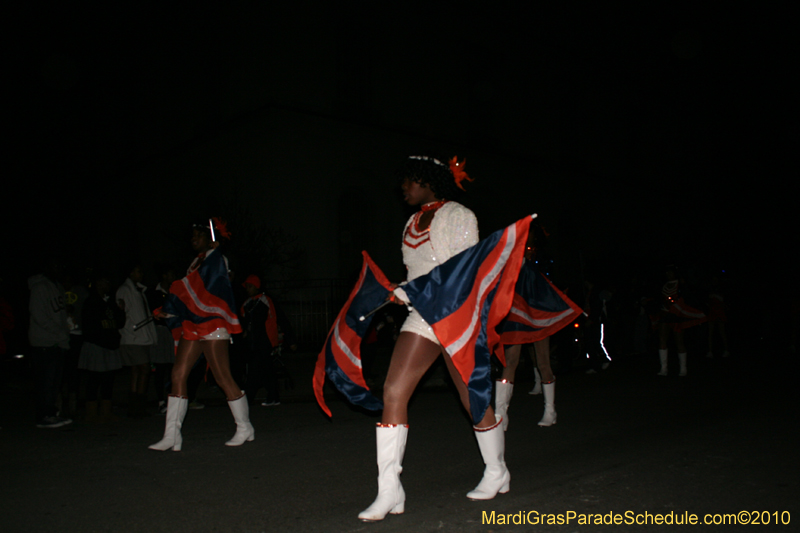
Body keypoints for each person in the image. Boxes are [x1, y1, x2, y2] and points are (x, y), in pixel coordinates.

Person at [359, 154, 507, 523]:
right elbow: (419, 271)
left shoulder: (459, 215)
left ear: (427, 181)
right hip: (423, 316)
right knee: (393, 391)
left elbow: (460, 275)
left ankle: (496, 469)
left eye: (410, 181)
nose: (403, 189)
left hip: (456, 317)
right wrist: (400, 290)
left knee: (470, 396)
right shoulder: (411, 222)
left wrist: (409, 292)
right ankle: (390, 489)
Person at [149, 219, 250, 451]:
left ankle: (245, 427)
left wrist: (216, 257)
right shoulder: (196, 262)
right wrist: (169, 310)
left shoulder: (218, 260)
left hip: (213, 323)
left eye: (198, 235)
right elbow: (189, 294)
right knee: (178, 373)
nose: (193, 238)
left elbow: (211, 289)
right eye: (192, 235)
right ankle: (172, 435)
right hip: (193, 325)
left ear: (210, 238)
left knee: (222, 376)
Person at [28, 260, 73, 428]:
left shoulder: (58, 287)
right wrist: (57, 332)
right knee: (45, 381)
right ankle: (43, 415)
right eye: (55, 266)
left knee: (54, 382)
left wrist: (64, 332)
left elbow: (59, 314)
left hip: (58, 341)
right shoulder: (40, 287)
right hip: (44, 342)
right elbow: (39, 315)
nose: (58, 270)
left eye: (60, 267)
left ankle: (51, 413)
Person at [240, 275, 296, 407]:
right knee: (266, 370)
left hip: (265, 341)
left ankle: (247, 400)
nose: (247, 289)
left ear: (256, 287)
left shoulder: (266, 301)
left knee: (255, 371)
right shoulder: (247, 304)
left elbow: (281, 319)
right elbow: (242, 322)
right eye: (247, 287)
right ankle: (273, 397)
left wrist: (291, 340)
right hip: (252, 343)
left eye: (250, 286)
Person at [78, 272, 125, 422]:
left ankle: (106, 412)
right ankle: (91, 412)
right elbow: (89, 326)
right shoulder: (91, 302)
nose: (107, 285)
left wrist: (121, 310)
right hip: (97, 345)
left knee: (109, 379)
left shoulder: (110, 302)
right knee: (94, 379)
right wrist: (100, 340)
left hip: (110, 345)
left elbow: (119, 323)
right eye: (104, 282)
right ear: (98, 284)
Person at [116, 263, 157, 417]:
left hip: (141, 336)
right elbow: (122, 314)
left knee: (137, 370)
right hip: (133, 337)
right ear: (131, 273)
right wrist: (130, 329)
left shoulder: (139, 290)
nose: (141, 274)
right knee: (144, 369)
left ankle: (136, 407)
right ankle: (137, 405)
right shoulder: (125, 290)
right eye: (138, 271)